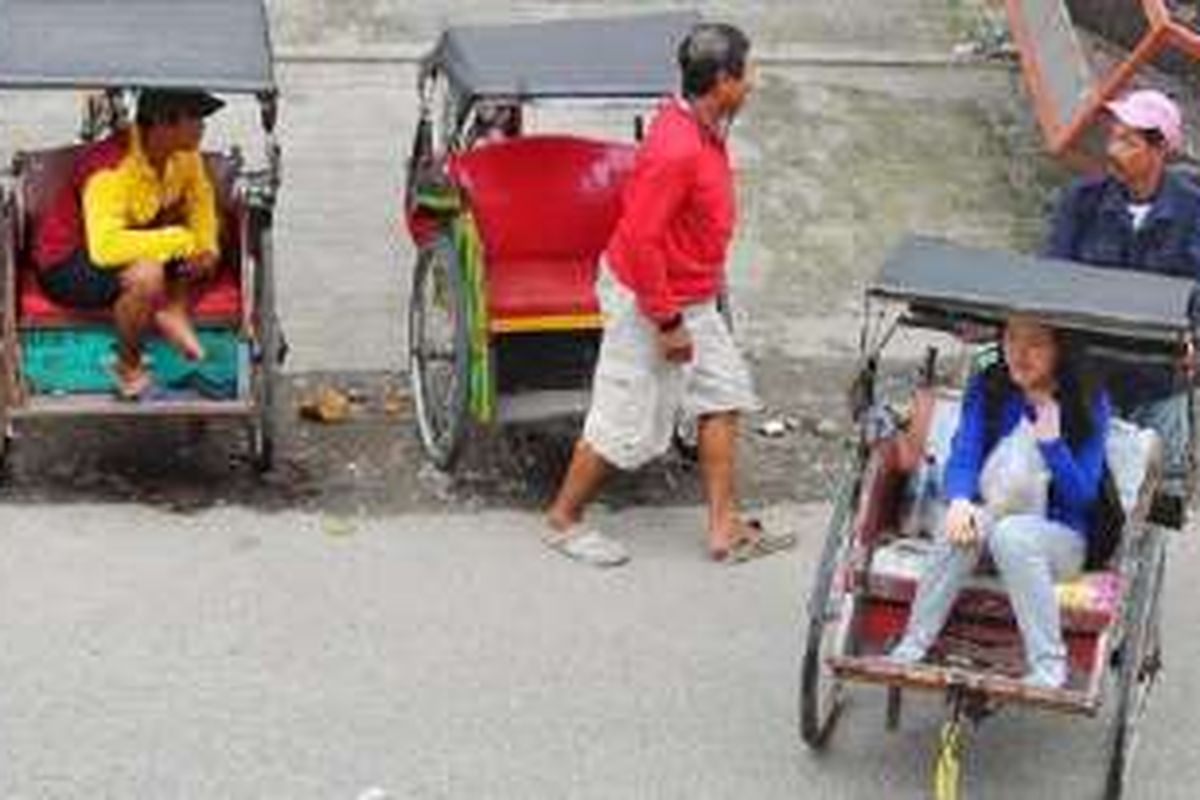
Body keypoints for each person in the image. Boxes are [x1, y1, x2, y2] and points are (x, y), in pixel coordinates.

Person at [542, 22, 793, 567]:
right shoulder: (677, 148)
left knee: (723, 396)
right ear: (723, 81)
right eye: (746, 74)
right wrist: (667, 321)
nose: (752, 84)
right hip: (649, 300)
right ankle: (563, 520)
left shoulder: (703, 126)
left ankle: (724, 526)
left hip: (693, 296)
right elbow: (639, 242)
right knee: (620, 419)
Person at [889, 316, 1111, 689]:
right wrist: (959, 500)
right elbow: (966, 449)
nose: (1019, 354)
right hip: (995, 513)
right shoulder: (991, 387)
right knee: (963, 523)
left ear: (1060, 349)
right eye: (1011, 339)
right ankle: (912, 646)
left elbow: (1083, 496)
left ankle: (1048, 666)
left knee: (1012, 535)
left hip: (1061, 537)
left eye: (1035, 343)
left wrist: (1053, 443)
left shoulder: (1088, 401)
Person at [1044, 88, 1200, 521]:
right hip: (1089, 366)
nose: (1113, 150)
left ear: (1161, 149)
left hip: (1158, 375)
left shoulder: (1194, 211)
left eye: (1128, 141)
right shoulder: (1081, 201)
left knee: (1158, 496)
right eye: (1113, 137)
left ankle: (1157, 509)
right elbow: (1051, 277)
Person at [33, 88, 225, 399]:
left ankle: (172, 308)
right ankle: (128, 368)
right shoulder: (109, 169)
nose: (203, 126)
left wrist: (206, 249)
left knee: (213, 232)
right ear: (164, 123)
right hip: (66, 261)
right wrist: (181, 241)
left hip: (130, 239)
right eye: (196, 118)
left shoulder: (186, 155)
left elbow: (201, 201)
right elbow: (105, 248)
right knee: (147, 274)